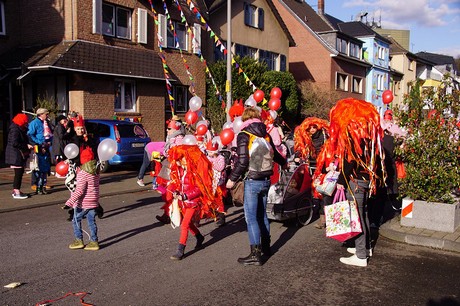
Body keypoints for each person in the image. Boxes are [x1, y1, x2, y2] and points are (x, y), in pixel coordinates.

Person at [316, 97, 385, 267]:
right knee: (363, 215)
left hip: (355, 181)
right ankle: (365, 248)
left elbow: (350, 161)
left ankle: (361, 256)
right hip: (365, 181)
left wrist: (341, 180)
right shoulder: (369, 137)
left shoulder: (353, 137)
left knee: (358, 217)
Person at [226, 107, 287, 266]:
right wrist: (285, 163)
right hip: (266, 180)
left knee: (251, 217)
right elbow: (275, 153)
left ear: (244, 119)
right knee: (262, 215)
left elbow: (243, 161)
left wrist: (232, 178)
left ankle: (255, 254)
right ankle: (266, 248)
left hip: (252, 181)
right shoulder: (265, 134)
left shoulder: (244, 135)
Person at [167, 145, 217, 260]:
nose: (179, 161)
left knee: (184, 225)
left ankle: (180, 250)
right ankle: (199, 236)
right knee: (187, 224)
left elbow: (199, 189)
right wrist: (176, 192)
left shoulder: (194, 172)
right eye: (178, 159)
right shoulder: (180, 171)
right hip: (183, 203)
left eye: (181, 158)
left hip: (193, 202)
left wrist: (185, 195)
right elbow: (178, 185)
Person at [65, 139, 101, 251]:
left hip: (84, 203)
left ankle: (79, 240)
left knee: (75, 220)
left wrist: (69, 202)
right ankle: (94, 241)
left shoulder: (82, 174)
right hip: (94, 201)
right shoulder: (95, 172)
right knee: (91, 221)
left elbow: (79, 191)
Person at [294, 117, 329, 229]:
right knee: (311, 191)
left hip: (323, 168)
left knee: (322, 193)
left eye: (314, 127)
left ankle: (323, 219)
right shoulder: (305, 137)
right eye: (310, 128)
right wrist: (297, 157)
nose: (312, 129)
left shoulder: (323, 136)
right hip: (310, 167)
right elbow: (300, 148)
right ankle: (313, 212)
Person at [155, 117, 185, 224]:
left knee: (172, 193)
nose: (167, 130)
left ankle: (173, 216)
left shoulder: (179, 138)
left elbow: (179, 152)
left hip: (177, 171)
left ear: (175, 129)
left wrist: (170, 146)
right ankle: (168, 215)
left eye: (169, 128)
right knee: (169, 193)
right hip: (170, 168)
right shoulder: (170, 138)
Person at [5, 113, 33, 199]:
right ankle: (16, 191)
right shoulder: (15, 129)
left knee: (19, 173)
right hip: (16, 155)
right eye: (25, 122)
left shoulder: (17, 128)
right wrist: (26, 146)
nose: (26, 123)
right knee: (18, 173)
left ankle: (16, 190)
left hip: (16, 154)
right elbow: (15, 143)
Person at [27, 108, 53, 191]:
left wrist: (49, 141)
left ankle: (43, 184)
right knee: (37, 164)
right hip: (38, 145)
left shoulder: (47, 122)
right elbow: (30, 134)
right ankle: (34, 183)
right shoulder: (34, 123)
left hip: (46, 145)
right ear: (41, 114)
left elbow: (49, 134)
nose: (47, 115)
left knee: (45, 165)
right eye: (46, 114)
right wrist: (38, 142)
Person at [206, 140, 227, 227]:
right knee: (211, 198)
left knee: (219, 199)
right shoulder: (207, 158)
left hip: (218, 182)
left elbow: (220, 167)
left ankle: (222, 216)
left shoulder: (221, 158)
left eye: (210, 152)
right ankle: (215, 213)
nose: (208, 154)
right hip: (210, 181)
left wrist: (212, 163)